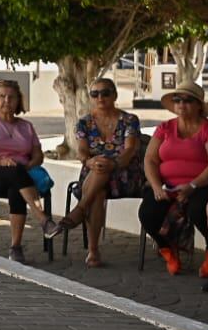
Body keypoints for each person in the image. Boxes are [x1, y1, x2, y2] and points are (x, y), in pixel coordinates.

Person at [139, 81, 208, 282]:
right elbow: (150, 159)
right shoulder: (165, 128)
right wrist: (157, 186)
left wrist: (193, 185)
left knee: (198, 210)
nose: (181, 104)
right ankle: (168, 251)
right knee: (148, 213)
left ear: (198, 106)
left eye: (187, 100)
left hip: (203, 184)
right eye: (177, 100)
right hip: (168, 185)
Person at [54, 78, 142, 267]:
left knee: (101, 172)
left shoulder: (129, 120)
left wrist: (113, 164)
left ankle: (80, 211)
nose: (100, 97)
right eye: (95, 94)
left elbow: (129, 151)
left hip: (124, 173)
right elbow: (82, 151)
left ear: (115, 95)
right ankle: (93, 250)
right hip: (93, 174)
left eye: (105, 93)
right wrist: (90, 160)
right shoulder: (84, 123)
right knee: (98, 189)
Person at [0, 78, 59, 263]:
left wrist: (29, 164)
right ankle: (43, 219)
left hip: (20, 178)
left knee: (16, 186)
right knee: (15, 172)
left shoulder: (26, 126)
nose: (6, 101)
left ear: (18, 101)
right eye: (1, 96)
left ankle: (16, 247)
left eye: (11, 97)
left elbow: (38, 156)